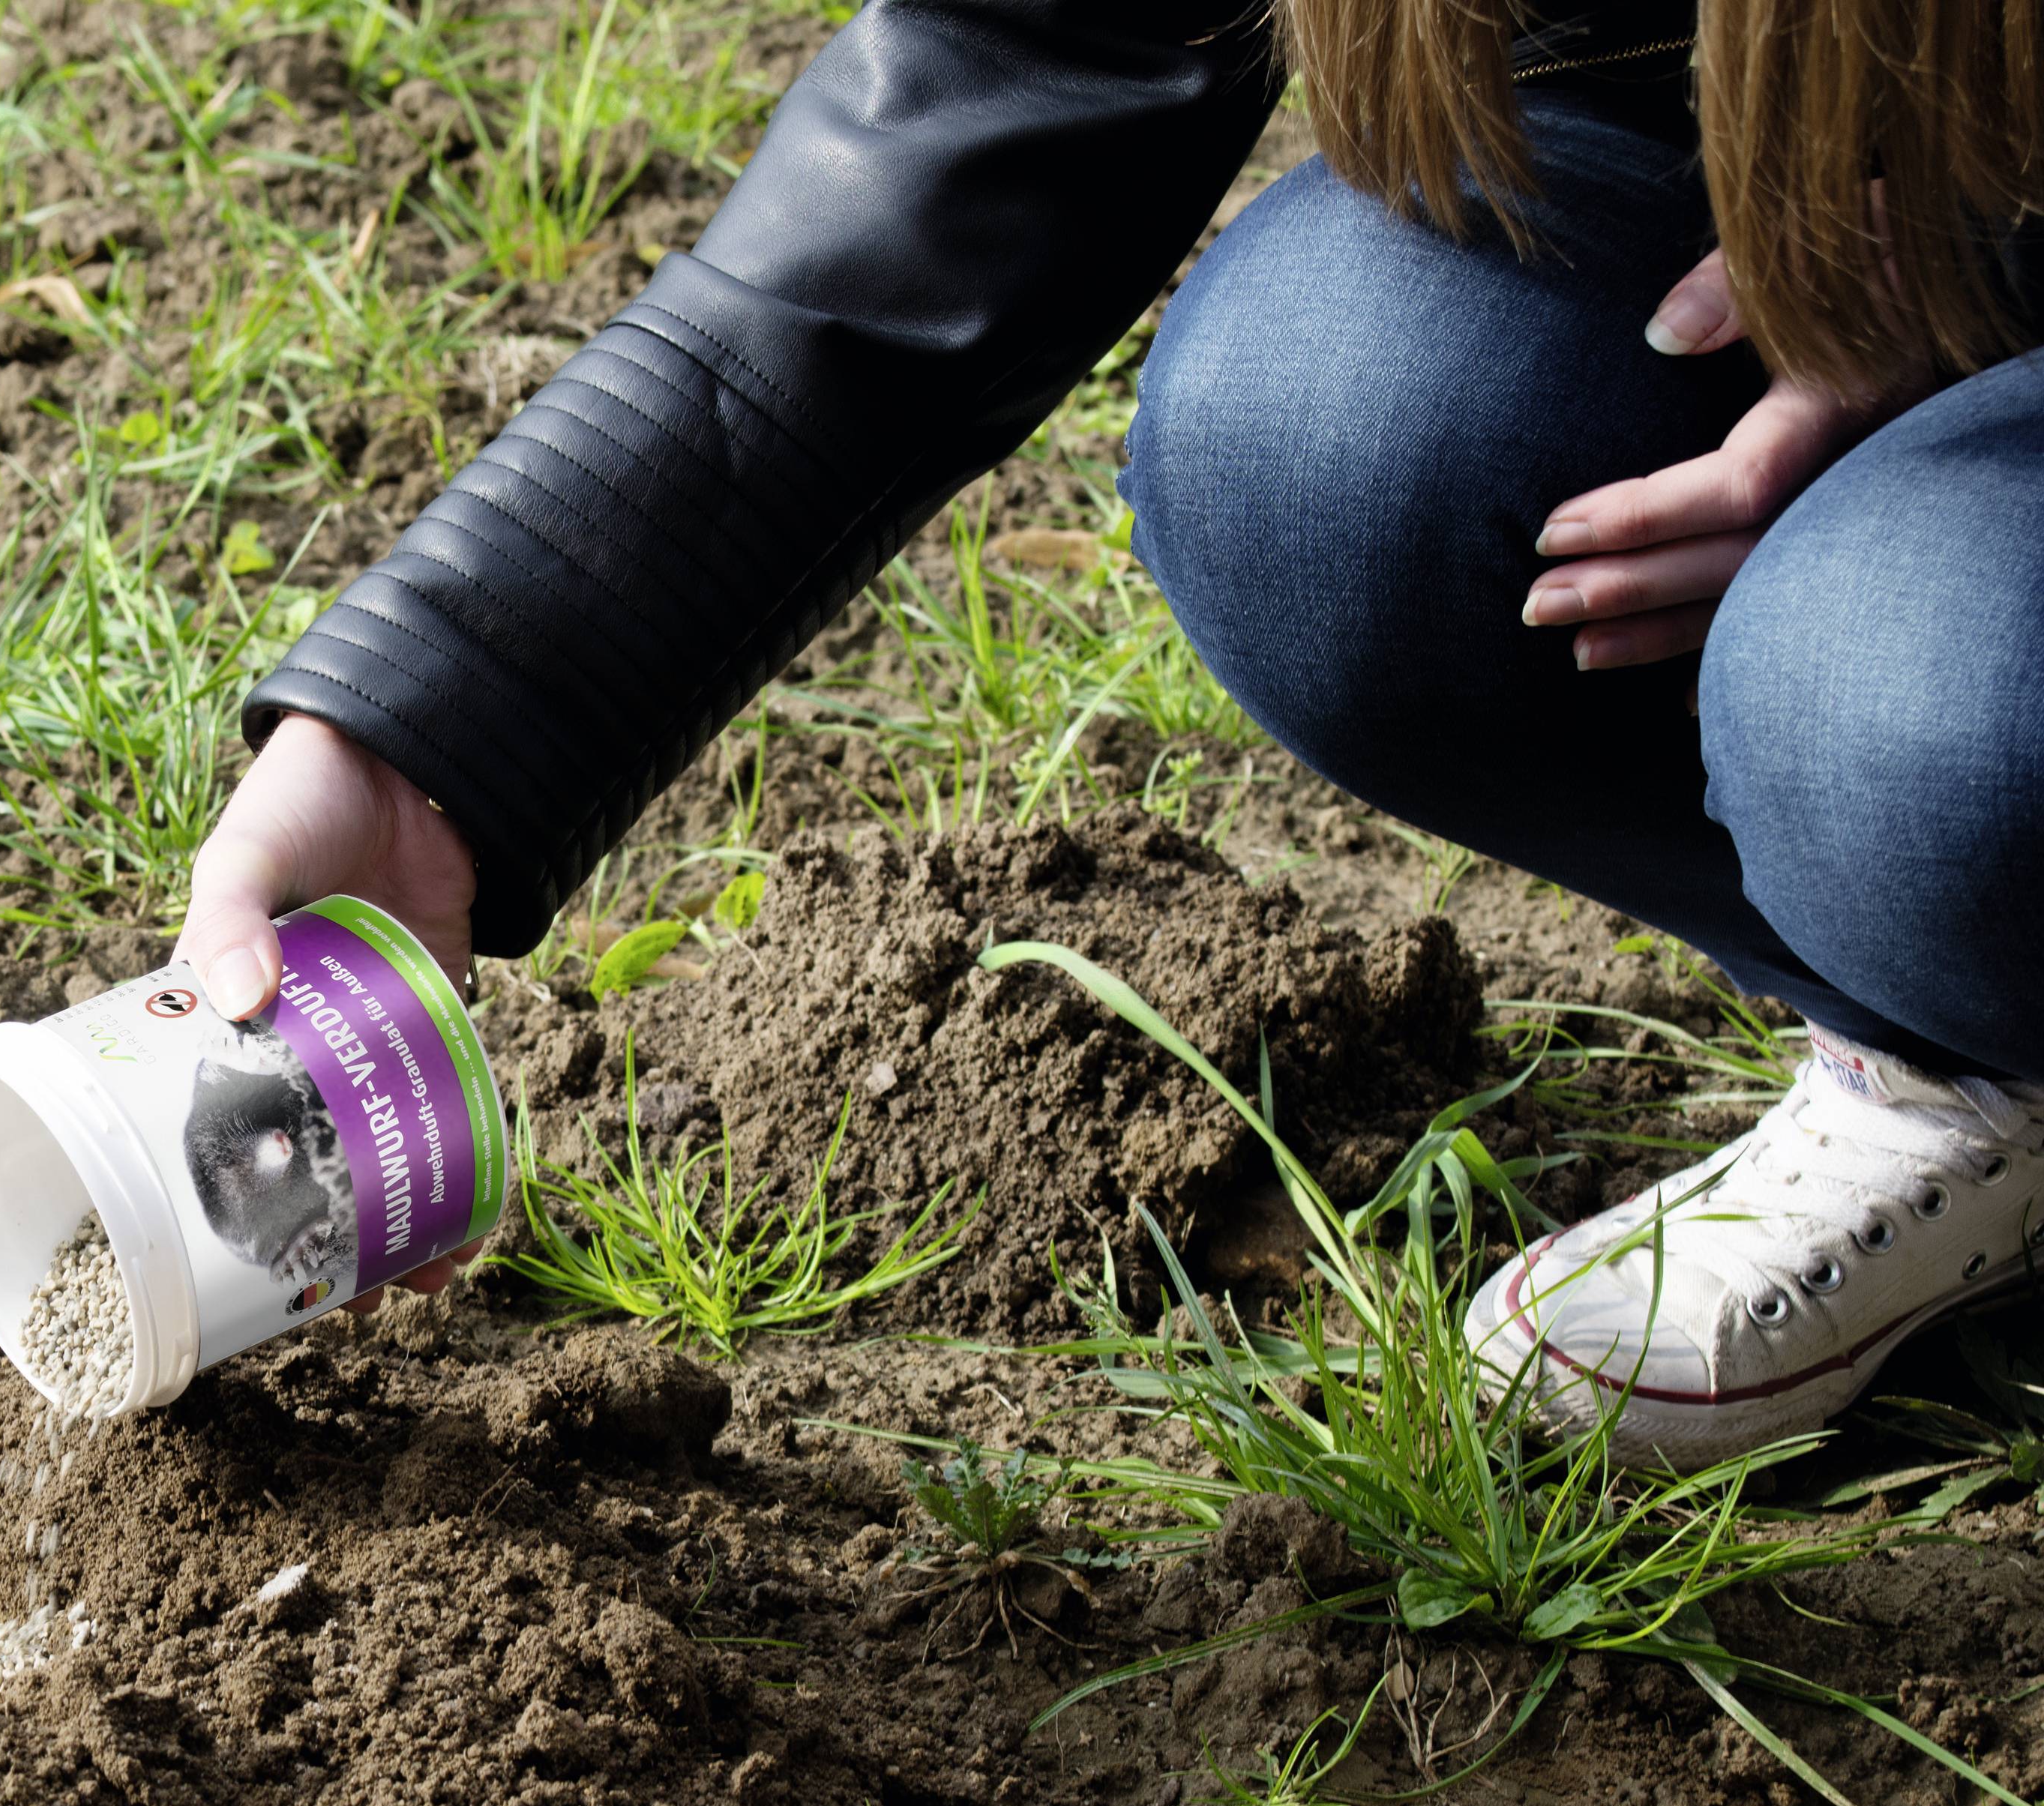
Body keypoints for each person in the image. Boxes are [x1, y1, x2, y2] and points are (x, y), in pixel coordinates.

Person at [171, 0, 2044, 1470]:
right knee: (1323, 444)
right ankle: (1966, 1063)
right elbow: (1017, 70)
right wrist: (419, 736)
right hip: (1834, 178)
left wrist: (1987, 260)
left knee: (1931, 719)